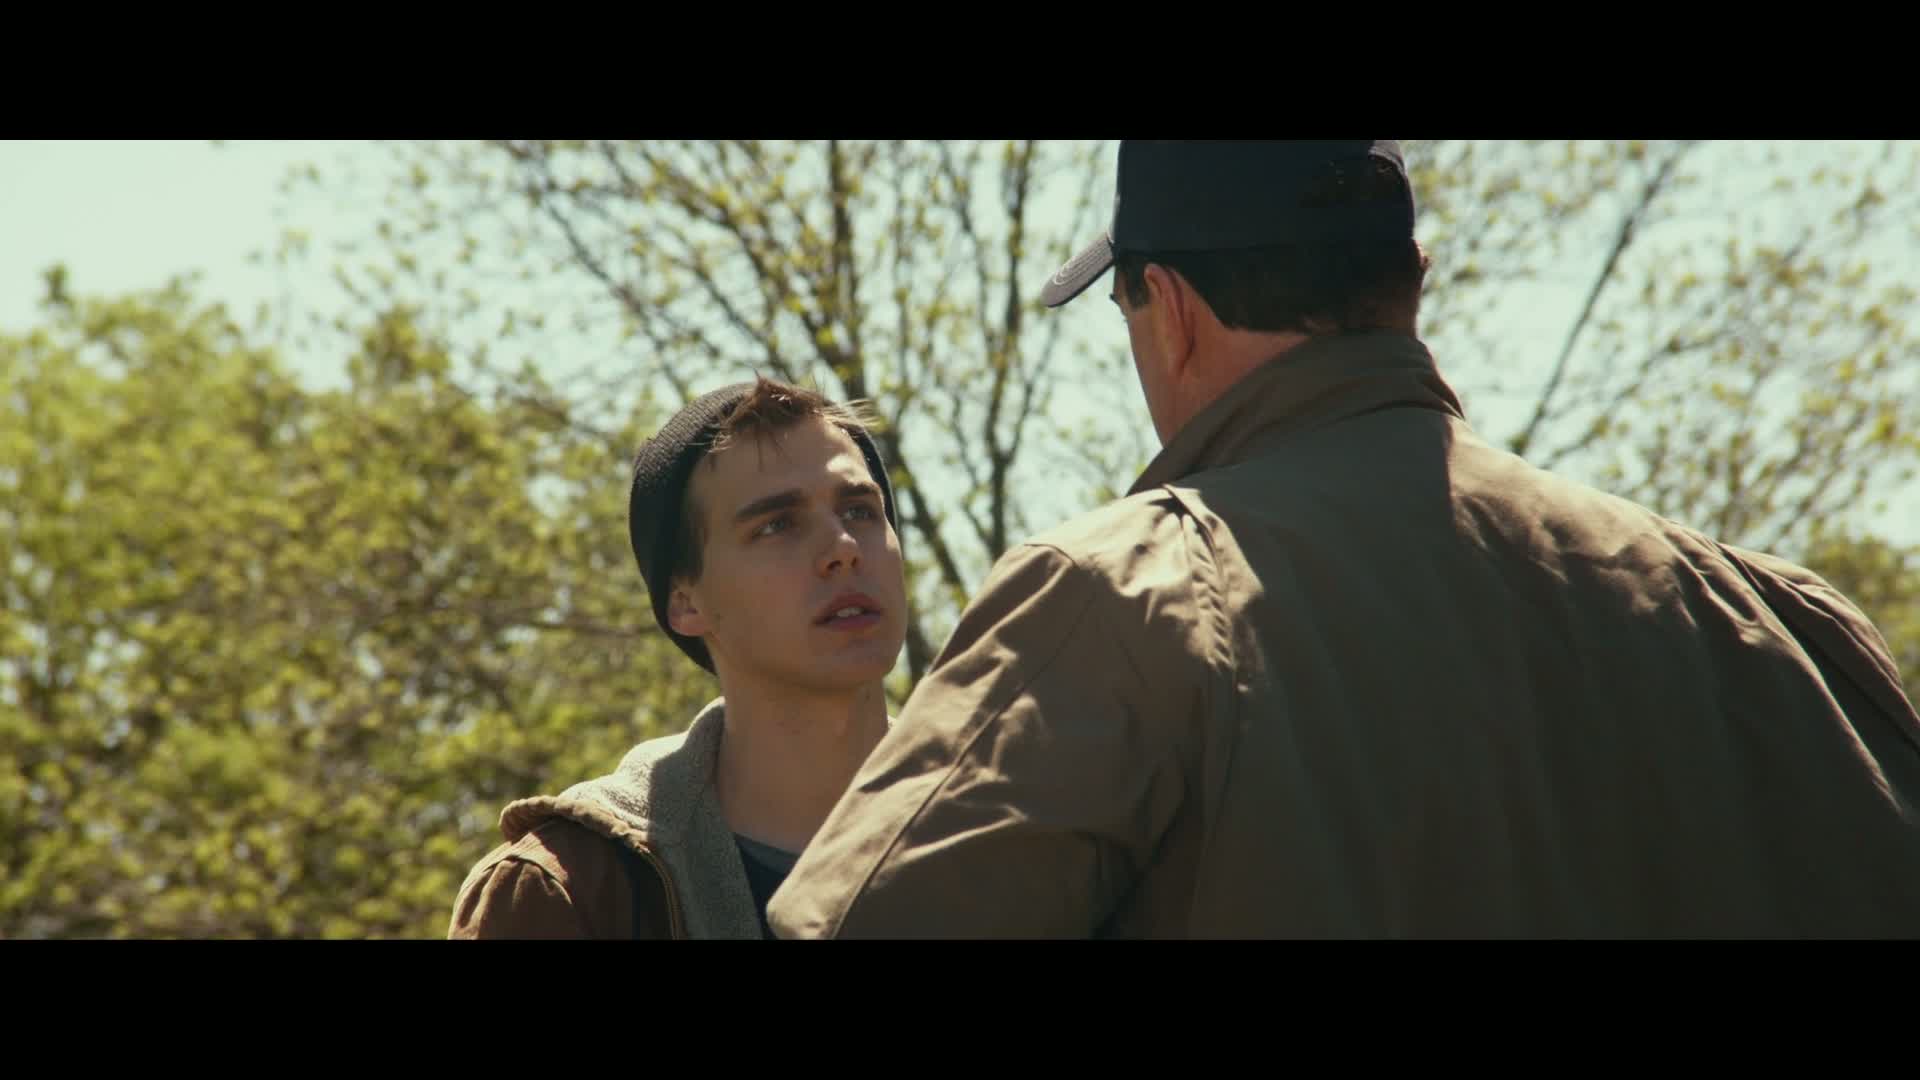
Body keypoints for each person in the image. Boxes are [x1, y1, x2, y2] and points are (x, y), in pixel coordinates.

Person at [767, 140, 1920, 938]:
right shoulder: (1780, 623)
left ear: (1169, 310)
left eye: (1123, 306)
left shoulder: (1122, 601)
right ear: (1412, 283)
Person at [450, 376, 909, 938]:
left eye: (860, 510)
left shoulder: (1002, 829)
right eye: (777, 524)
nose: (842, 548)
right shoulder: (571, 890)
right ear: (686, 602)